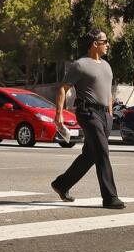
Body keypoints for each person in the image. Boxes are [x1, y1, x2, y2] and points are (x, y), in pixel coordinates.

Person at [51, 29, 124, 210]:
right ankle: (110, 197)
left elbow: (107, 92)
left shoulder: (107, 66)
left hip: (104, 116)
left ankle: (62, 184)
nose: (108, 45)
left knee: (90, 155)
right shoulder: (80, 65)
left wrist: (109, 113)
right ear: (95, 44)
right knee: (102, 151)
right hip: (88, 112)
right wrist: (59, 113)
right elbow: (63, 88)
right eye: (105, 41)